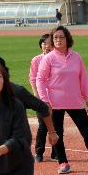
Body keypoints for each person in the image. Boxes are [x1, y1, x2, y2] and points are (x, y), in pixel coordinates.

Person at [36, 25, 88, 175]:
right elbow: (40, 79)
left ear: (67, 38)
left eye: (61, 37)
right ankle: (63, 163)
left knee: (87, 132)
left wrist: (87, 98)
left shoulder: (76, 57)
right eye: (55, 37)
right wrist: (44, 100)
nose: (57, 40)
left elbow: (83, 79)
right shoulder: (48, 58)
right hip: (55, 103)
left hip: (75, 101)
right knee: (58, 134)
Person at [30, 33, 55, 162]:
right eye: (44, 43)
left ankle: (55, 153)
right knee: (42, 126)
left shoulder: (57, 59)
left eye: (50, 44)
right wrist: (37, 95)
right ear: (41, 45)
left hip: (56, 98)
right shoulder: (36, 60)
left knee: (56, 125)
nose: (47, 46)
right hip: (41, 98)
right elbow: (33, 79)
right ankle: (39, 153)